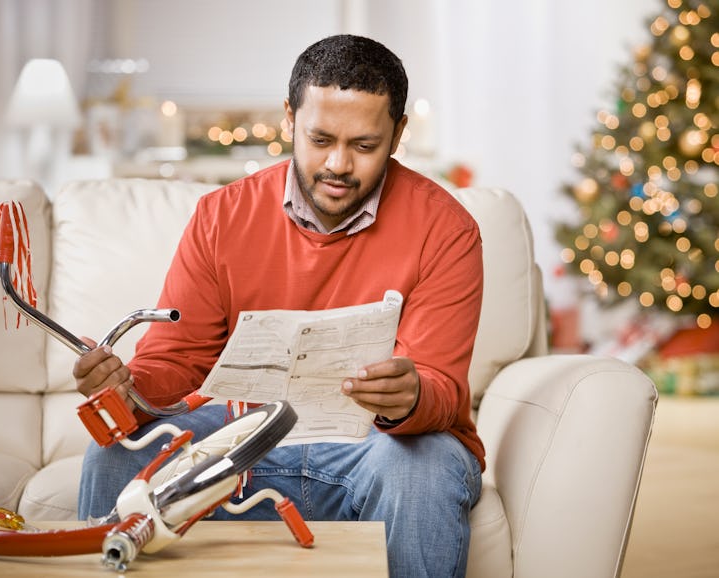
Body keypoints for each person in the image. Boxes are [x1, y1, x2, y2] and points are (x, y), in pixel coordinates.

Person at [75, 34, 485, 578]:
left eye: (365, 145)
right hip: (241, 441)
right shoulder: (221, 215)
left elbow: (441, 387)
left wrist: (411, 395)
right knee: (117, 455)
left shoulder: (446, 229)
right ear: (289, 119)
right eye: (320, 139)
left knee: (424, 467)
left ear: (398, 134)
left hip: (376, 448)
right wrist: (128, 386)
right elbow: (175, 360)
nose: (338, 165)